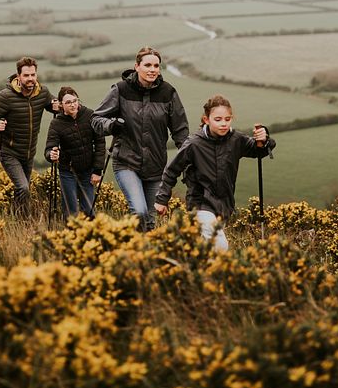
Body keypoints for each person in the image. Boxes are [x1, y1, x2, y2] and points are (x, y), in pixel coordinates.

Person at [154, 93, 276, 252]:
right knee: (220, 246)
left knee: (207, 247)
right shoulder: (194, 144)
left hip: (225, 203)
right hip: (200, 203)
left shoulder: (236, 139)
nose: (223, 124)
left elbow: (258, 151)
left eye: (227, 119)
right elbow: (172, 170)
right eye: (218, 119)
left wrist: (265, 140)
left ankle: (194, 266)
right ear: (206, 119)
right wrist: (162, 199)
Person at [91, 47, 189, 230]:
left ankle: (143, 256)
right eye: (148, 65)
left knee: (150, 221)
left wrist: (188, 161)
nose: (152, 69)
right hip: (126, 162)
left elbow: (181, 131)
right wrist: (111, 125)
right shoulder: (120, 90)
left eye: (156, 65)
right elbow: (96, 120)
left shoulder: (168, 93)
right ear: (137, 66)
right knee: (139, 211)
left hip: (156, 165)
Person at [0, 56, 59, 215]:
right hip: (9, 152)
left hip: (29, 153)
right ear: (18, 76)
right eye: (26, 75)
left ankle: (15, 220)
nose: (30, 78)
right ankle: (24, 219)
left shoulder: (42, 92)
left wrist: (56, 106)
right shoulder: (6, 96)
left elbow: (52, 105)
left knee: (23, 190)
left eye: (33, 75)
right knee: (23, 187)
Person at [44, 86, 106, 218]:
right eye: (68, 102)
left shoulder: (89, 115)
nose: (72, 105)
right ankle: (71, 236)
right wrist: (52, 155)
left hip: (87, 170)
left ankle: (90, 237)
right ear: (61, 105)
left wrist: (97, 170)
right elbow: (50, 147)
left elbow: (100, 142)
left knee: (89, 210)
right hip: (67, 171)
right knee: (71, 211)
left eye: (75, 101)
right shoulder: (56, 123)